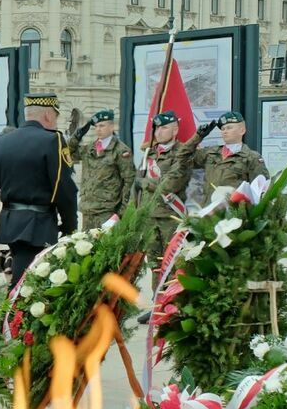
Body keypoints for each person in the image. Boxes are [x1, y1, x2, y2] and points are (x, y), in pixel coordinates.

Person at [0, 93, 78, 286]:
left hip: (8, 225)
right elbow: (64, 188)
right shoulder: (53, 141)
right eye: (56, 116)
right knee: (28, 287)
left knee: (16, 279)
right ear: (48, 116)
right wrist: (70, 226)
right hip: (38, 227)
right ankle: (12, 316)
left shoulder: (1, 143)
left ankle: (10, 313)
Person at [139, 111, 193, 288]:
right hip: (150, 215)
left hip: (170, 216)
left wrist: (147, 183)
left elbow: (172, 183)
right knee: (154, 264)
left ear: (175, 129)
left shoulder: (182, 153)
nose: (158, 132)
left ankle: (172, 307)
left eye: (164, 127)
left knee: (173, 262)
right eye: (156, 128)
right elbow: (136, 185)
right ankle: (157, 306)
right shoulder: (150, 153)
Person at [68, 108, 136, 228]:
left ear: (111, 127)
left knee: (105, 246)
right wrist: (77, 136)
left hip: (107, 211)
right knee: (85, 245)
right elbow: (67, 153)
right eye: (96, 126)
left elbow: (129, 181)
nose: (98, 129)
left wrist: (121, 212)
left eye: (102, 126)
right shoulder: (90, 148)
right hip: (88, 209)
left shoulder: (120, 150)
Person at [179, 111, 268, 192]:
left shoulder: (252, 157)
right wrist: (198, 136)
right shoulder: (211, 153)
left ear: (242, 130)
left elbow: (261, 190)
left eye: (229, 128)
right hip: (209, 208)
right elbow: (181, 158)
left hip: (232, 208)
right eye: (223, 129)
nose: (225, 131)